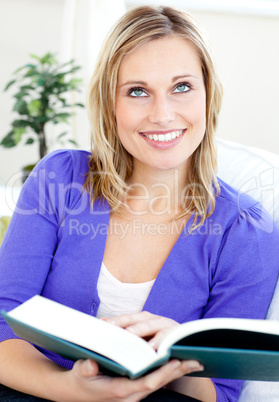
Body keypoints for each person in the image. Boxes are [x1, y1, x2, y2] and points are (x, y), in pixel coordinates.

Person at [0, 5, 278, 402]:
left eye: (182, 87)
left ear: (207, 94)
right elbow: (3, 324)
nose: (163, 114)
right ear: (109, 105)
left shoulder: (247, 232)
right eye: (137, 91)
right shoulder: (59, 180)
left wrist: (174, 362)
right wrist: (69, 389)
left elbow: (222, 393)